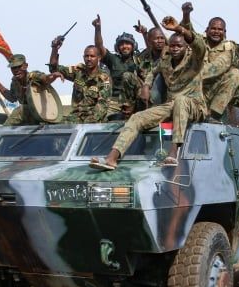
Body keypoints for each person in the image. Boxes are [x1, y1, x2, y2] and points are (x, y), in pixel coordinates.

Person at [89, 14, 207, 171]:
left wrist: (179, 28)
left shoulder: (195, 59)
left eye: (179, 46)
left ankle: (173, 152)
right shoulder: (165, 61)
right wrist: (146, 86)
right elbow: (152, 72)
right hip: (171, 106)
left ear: (186, 48)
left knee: (181, 101)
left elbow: (200, 45)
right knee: (137, 117)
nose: (175, 48)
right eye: (172, 46)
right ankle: (112, 158)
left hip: (194, 105)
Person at [0, 54, 60, 125]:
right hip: (29, 117)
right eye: (13, 68)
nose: (16, 70)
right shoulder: (15, 82)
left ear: (26, 66)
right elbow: (11, 97)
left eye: (19, 66)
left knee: (20, 110)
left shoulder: (32, 76)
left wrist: (53, 76)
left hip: (41, 114)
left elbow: (45, 79)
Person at [92, 15, 141, 118]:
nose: (124, 46)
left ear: (133, 46)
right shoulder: (113, 59)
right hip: (115, 102)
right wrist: (97, 29)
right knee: (101, 120)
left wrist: (144, 33)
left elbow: (152, 50)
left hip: (135, 101)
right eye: (121, 44)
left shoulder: (139, 59)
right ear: (117, 47)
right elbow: (99, 47)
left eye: (128, 44)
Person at [49, 44, 112, 123]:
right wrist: (54, 49)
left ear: (98, 58)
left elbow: (102, 106)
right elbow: (54, 69)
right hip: (76, 116)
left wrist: (86, 123)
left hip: (94, 119)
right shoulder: (78, 71)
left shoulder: (104, 79)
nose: (89, 59)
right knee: (50, 125)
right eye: (86, 56)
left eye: (92, 56)